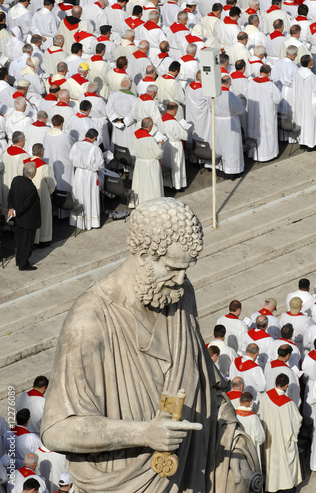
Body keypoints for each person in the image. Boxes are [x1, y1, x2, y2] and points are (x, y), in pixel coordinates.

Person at [41, 198, 261, 493]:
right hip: (125, 479)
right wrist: (144, 433)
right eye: (172, 268)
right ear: (143, 254)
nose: (181, 280)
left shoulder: (180, 295)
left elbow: (206, 386)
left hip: (191, 469)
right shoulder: (90, 321)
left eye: (187, 269)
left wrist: (230, 436)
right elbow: (57, 430)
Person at [258, 373, 302, 493]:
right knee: (285, 463)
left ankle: (271, 486)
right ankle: (287, 486)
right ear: (286, 386)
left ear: (275, 383)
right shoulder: (289, 404)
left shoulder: (263, 398)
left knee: (271, 462)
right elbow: (297, 421)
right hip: (283, 440)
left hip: (269, 439)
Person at [7, 162, 41, 271]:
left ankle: (19, 260)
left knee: (20, 241)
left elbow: (10, 195)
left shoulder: (16, 180)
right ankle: (23, 264)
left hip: (19, 220)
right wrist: (15, 212)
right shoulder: (31, 187)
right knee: (27, 243)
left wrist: (11, 208)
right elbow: (27, 205)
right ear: (32, 175)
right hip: (28, 220)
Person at [69, 129, 104, 231]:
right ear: (94, 138)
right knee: (90, 196)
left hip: (79, 173)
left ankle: (78, 221)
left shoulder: (76, 145)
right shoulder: (95, 148)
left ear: (85, 135)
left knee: (79, 195)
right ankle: (91, 221)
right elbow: (100, 165)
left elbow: (71, 158)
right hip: (90, 175)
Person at [247, 64, 281, 162]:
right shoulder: (270, 84)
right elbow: (278, 99)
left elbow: (246, 95)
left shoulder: (251, 82)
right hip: (267, 114)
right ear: (269, 72)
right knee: (267, 132)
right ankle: (268, 154)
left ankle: (254, 153)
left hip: (254, 112)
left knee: (255, 131)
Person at [25, 145, 57, 247]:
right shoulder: (45, 166)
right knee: (44, 216)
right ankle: (43, 239)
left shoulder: (25, 163)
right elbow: (52, 184)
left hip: (27, 194)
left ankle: (32, 240)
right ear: (41, 153)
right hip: (42, 195)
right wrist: (48, 193)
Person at [292, 54, 316, 152]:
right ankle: (311, 144)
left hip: (300, 101)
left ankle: (302, 142)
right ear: (309, 63)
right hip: (310, 103)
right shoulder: (311, 76)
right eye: (311, 61)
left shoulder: (297, 72)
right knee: (311, 123)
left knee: (302, 121)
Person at [215, 75, 245, 180]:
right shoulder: (230, 95)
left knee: (220, 145)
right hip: (230, 123)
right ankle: (232, 171)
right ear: (228, 83)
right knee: (232, 147)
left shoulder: (214, 94)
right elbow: (240, 110)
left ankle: (220, 169)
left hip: (218, 122)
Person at [131, 117, 163, 206]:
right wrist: (160, 145)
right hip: (150, 164)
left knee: (141, 184)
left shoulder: (135, 134)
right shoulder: (150, 139)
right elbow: (158, 154)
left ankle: (140, 201)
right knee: (151, 185)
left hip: (140, 162)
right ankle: (153, 203)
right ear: (149, 127)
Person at [158, 102, 188, 191]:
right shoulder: (173, 122)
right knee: (177, 165)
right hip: (175, 145)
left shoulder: (160, 119)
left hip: (165, 144)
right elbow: (183, 136)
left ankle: (167, 183)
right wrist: (185, 131)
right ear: (175, 110)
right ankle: (178, 185)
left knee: (167, 164)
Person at [235, 392, 265, 467]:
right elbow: (260, 438)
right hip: (250, 452)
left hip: (235, 450)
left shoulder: (233, 414)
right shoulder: (253, 418)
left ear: (239, 400)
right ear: (250, 402)